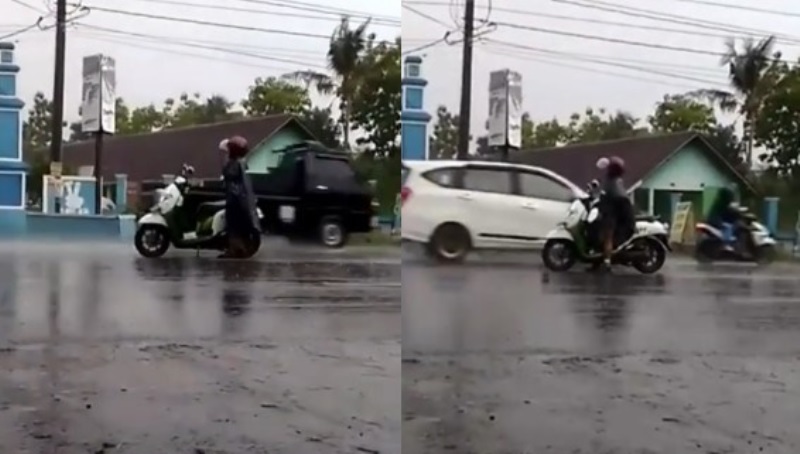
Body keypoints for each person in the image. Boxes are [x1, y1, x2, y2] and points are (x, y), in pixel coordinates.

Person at [219, 136, 261, 258]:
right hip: (242, 198)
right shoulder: (242, 162)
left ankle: (235, 249)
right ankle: (238, 247)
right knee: (238, 224)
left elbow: (226, 174)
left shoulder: (234, 164)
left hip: (234, 199)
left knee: (232, 225)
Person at [597, 156, 635, 270]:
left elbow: (606, 196)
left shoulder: (613, 183)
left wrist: (601, 204)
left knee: (608, 237)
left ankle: (607, 261)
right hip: (616, 214)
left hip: (612, 215)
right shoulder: (616, 181)